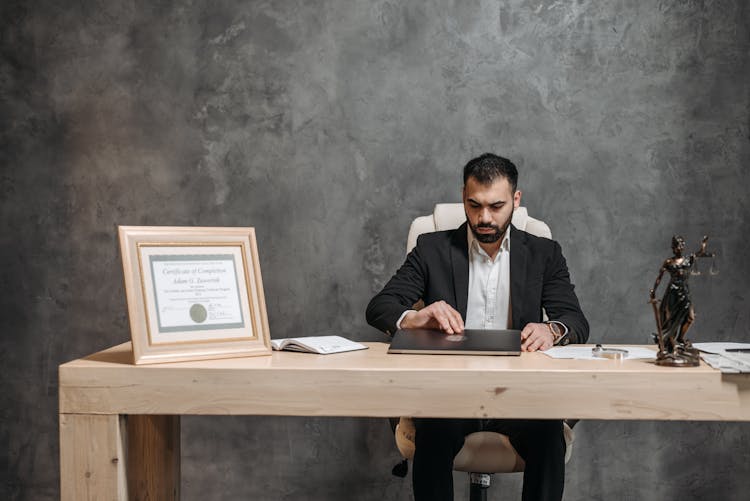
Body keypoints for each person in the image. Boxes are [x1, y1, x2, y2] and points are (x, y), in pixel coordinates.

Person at [366, 153, 589, 501]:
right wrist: (414, 317)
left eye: (496, 206)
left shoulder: (544, 253)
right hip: (450, 393)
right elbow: (380, 307)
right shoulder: (432, 249)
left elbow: (575, 320)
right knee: (433, 431)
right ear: (463, 198)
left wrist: (553, 329)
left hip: (517, 394)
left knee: (547, 434)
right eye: (474, 205)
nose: (484, 217)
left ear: (516, 200)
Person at [649, 235, 713, 364]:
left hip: (684, 292)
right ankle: (670, 347)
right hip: (672, 293)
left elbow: (699, 253)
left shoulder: (687, 259)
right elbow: (659, 277)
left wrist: (703, 245)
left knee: (690, 317)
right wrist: (653, 290)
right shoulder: (669, 262)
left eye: (681, 245)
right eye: (677, 245)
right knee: (672, 320)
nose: (680, 247)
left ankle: (680, 338)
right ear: (673, 247)